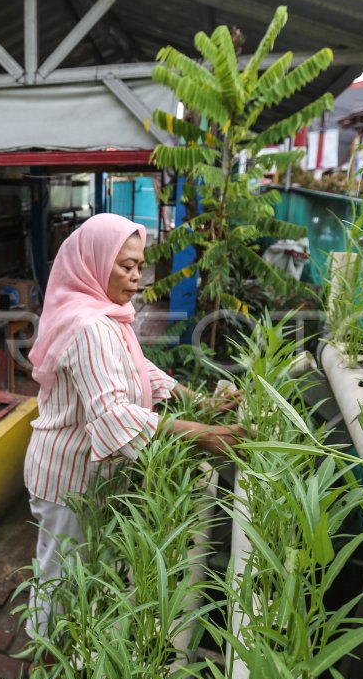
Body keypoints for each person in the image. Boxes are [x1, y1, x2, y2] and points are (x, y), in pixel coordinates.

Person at [22, 213, 244, 640]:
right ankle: (43, 657)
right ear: (94, 261)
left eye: (141, 266)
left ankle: (72, 643)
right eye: (126, 265)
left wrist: (200, 402)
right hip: (67, 478)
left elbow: (137, 369)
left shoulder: (107, 316)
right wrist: (205, 434)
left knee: (79, 568)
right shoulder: (89, 326)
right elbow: (114, 413)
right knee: (59, 576)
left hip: (85, 473)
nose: (137, 276)